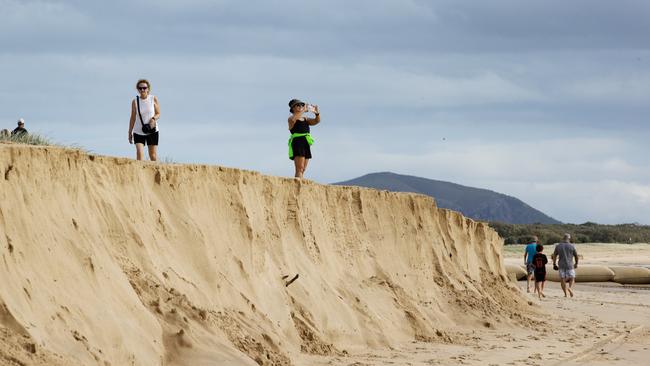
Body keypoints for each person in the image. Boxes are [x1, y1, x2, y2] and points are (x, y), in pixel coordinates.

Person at [128, 79, 160, 161]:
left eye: (144, 88)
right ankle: (139, 173)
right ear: (138, 89)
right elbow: (132, 118)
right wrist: (130, 132)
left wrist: (153, 119)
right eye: (140, 88)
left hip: (152, 130)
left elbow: (158, 113)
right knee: (139, 155)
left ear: (148, 89)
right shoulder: (135, 102)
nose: (142, 90)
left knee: (153, 155)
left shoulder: (153, 98)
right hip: (138, 131)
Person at [287, 99, 320, 178]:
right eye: (298, 105)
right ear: (293, 108)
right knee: (299, 168)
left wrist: (317, 113)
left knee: (303, 168)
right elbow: (293, 120)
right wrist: (304, 110)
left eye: (301, 105)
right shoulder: (291, 118)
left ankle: (300, 183)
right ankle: (298, 185)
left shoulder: (305, 119)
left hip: (305, 141)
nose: (300, 106)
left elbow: (316, 121)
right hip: (298, 142)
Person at [552, 233, 579, 297]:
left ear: (563, 238)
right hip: (570, 265)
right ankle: (569, 288)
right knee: (572, 278)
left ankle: (565, 294)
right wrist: (576, 263)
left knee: (562, 279)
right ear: (569, 238)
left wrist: (554, 264)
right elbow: (576, 256)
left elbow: (554, 255)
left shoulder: (558, 246)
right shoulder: (572, 246)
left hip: (561, 265)